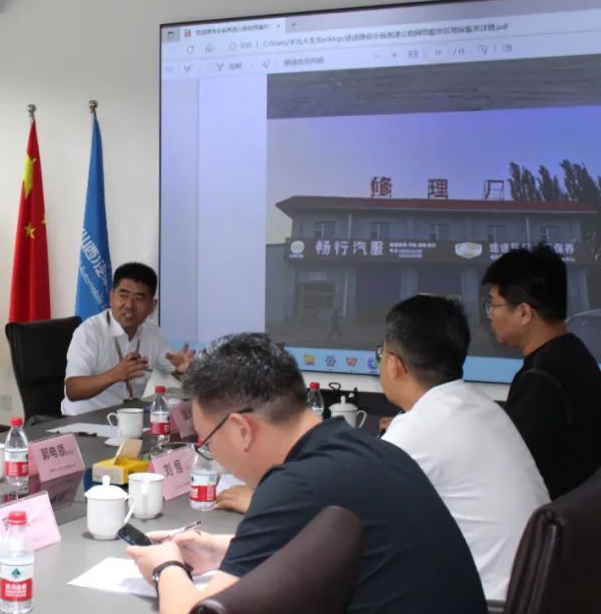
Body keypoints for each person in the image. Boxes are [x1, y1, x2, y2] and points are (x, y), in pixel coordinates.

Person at [125, 333, 486, 614]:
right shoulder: (355, 449)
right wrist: (222, 551)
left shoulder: (295, 485)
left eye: (208, 442)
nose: (212, 453)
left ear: (241, 430)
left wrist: (166, 568)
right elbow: (320, 552)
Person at [378, 294, 548, 600]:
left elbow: (352, 512)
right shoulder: (482, 406)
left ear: (394, 365)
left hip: (490, 603)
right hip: (535, 593)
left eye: (381, 352)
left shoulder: (418, 428)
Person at [482, 244, 601, 498]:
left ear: (524, 312)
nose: (490, 314)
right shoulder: (572, 353)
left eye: (493, 304)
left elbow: (508, 467)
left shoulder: (540, 380)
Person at [61, 262, 194, 415]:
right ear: (111, 297)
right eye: (123, 296)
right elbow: (72, 389)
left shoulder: (153, 334)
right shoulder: (89, 332)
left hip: (128, 417)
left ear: (152, 306)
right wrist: (114, 375)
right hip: (84, 419)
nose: (129, 305)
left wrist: (182, 370)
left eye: (139, 299)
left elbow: (173, 371)